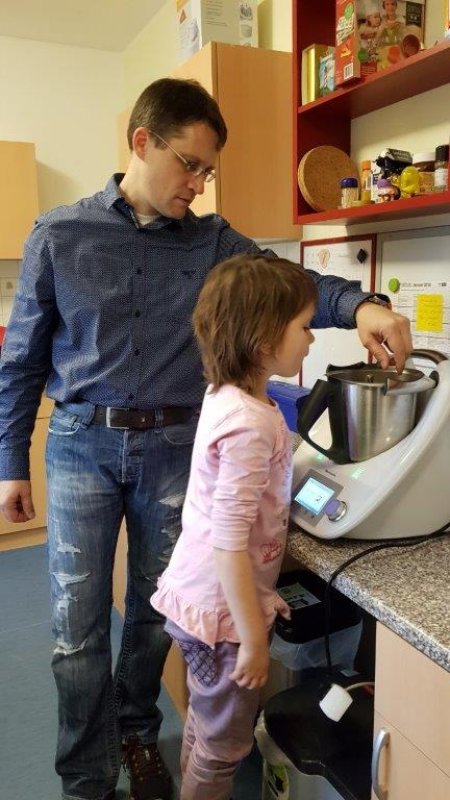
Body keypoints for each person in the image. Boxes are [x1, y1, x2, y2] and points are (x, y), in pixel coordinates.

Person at [0, 77, 412, 800]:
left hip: (175, 447)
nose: (198, 184)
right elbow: (22, 359)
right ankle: (86, 781)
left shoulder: (216, 241)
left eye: (207, 172)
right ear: (142, 141)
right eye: (189, 164)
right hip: (80, 445)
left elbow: (289, 283)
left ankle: (136, 733)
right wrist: (10, 462)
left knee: (157, 616)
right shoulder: (58, 234)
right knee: (75, 632)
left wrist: (364, 307)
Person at [150, 253, 318, 800]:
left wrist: (260, 601)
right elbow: (229, 543)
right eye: (304, 326)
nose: (311, 339)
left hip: (200, 599)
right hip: (222, 620)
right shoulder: (250, 425)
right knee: (224, 747)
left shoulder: (228, 397)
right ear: (264, 340)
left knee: (205, 723)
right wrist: (251, 637)